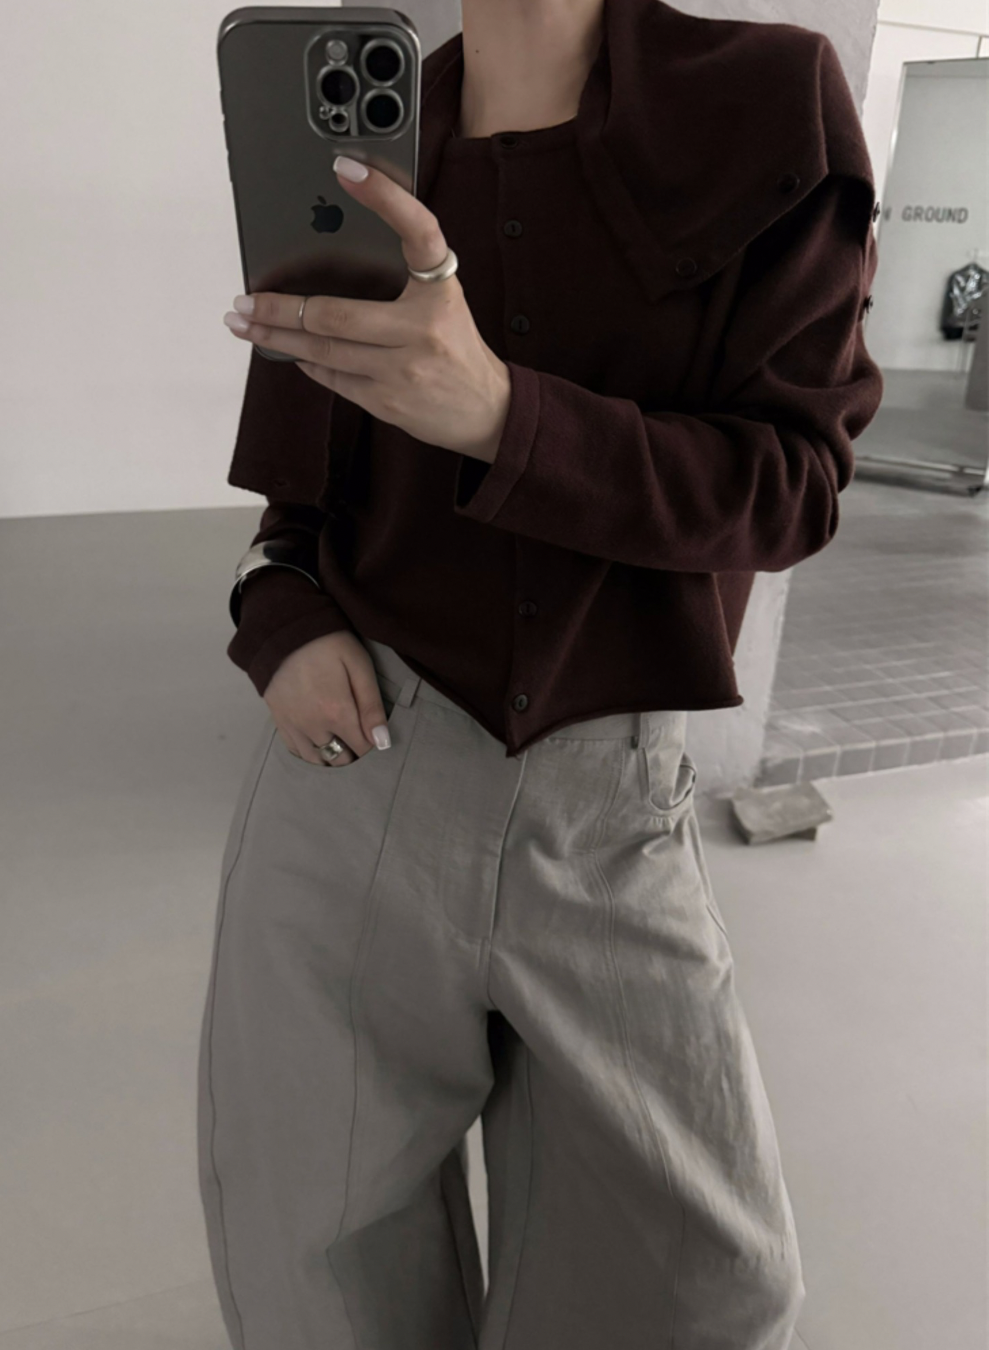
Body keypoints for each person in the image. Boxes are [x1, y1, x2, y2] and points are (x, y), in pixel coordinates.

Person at [198, 1, 884, 1346]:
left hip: (609, 798)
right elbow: (294, 516)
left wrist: (505, 416)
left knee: (703, 1285)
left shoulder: (767, 102)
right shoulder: (364, 139)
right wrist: (277, 621)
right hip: (357, 775)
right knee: (319, 1281)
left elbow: (793, 484)